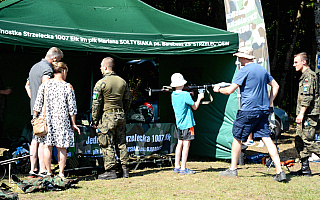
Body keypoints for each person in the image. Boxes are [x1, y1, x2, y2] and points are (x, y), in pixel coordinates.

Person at [213, 47, 286, 182]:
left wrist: (218, 90)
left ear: (244, 57)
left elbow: (229, 91)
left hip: (248, 110)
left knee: (237, 137)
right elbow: (275, 86)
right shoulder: (262, 70)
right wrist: (269, 102)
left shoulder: (244, 70)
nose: (238, 59)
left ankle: (233, 169)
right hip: (263, 111)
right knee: (266, 138)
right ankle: (279, 171)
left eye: (239, 56)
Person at [33, 62, 80, 178]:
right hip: (62, 120)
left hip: (47, 120)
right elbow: (72, 108)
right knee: (62, 147)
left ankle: (48, 172)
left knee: (47, 146)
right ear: (64, 71)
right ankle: (61, 173)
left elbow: (37, 103)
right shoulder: (67, 86)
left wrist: (34, 117)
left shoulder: (45, 85)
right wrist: (73, 123)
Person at [25, 47, 64, 177]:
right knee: (43, 140)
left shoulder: (34, 67)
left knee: (35, 138)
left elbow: (27, 86)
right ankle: (42, 170)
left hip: (34, 109)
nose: (57, 64)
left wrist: (34, 100)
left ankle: (33, 169)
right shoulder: (47, 69)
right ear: (54, 59)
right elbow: (46, 88)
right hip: (44, 111)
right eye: (58, 61)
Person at [91, 57, 132, 180]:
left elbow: (96, 104)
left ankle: (110, 170)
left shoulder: (101, 83)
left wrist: (95, 120)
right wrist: (123, 112)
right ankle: (125, 170)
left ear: (105, 67)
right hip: (121, 115)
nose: (100, 69)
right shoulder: (122, 82)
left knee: (107, 143)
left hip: (107, 117)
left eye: (101, 66)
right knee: (121, 143)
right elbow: (128, 100)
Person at [291, 52, 320, 176]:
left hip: (308, 115)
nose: (294, 65)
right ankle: (305, 169)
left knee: (308, 141)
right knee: (299, 140)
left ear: (304, 62)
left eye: (296, 62)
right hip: (304, 114)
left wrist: (301, 114)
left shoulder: (309, 76)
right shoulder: (304, 76)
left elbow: (308, 97)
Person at [171, 73, 204, 175]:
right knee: (186, 145)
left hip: (179, 124)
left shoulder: (173, 94)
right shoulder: (185, 95)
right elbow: (195, 107)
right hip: (188, 124)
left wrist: (189, 95)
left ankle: (177, 166)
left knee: (179, 144)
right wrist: (199, 98)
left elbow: (182, 99)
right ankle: (183, 168)